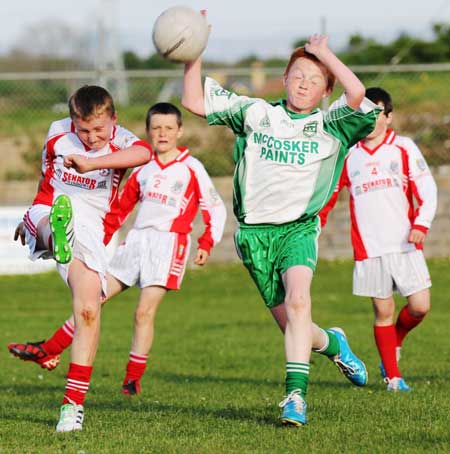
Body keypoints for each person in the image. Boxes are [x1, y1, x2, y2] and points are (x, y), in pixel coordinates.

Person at [182, 26, 381, 427]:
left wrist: (325, 53)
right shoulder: (256, 113)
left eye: (315, 80)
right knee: (296, 326)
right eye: (298, 76)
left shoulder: (332, 125)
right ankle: (335, 344)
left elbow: (357, 94)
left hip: (298, 230)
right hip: (254, 236)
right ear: (284, 78)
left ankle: (295, 397)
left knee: (298, 302)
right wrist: (192, 53)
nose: (304, 84)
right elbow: (192, 100)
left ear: (326, 90)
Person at [9, 102, 227, 397]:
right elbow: (119, 210)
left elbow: (213, 206)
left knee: (143, 313)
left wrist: (207, 242)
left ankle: (131, 379)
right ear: (148, 130)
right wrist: (95, 245)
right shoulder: (141, 170)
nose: (162, 134)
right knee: (93, 299)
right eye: (156, 128)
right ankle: (50, 348)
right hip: (135, 242)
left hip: (169, 244)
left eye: (169, 128)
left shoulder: (191, 167)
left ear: (180, 131)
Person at [8, 85, 152, 432]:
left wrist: (93, 163)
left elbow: (144, 154)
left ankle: (72, 408)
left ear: (113, 120)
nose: (90, 136)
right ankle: (46, 230)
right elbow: (46, 180)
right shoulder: (58, 133)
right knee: (49, 217)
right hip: (54, 206)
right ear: (72, 121)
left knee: (88, 309)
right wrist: (33, 217)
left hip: (92, 230)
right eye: (83, 130)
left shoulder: (124, 141)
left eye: (99, 129)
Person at [319, 87, 438, 392]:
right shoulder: (349, 155)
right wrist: (316, 225)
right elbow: (329, 195)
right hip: (369, 249)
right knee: (383, 311)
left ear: (389, 116)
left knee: (420, 306)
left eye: (377, 113)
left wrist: (421, 225)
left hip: (405, 244)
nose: (370, 119)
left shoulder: (404, 147)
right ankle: (393, 377)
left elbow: (427, 190)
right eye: (364, 113)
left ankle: (395, 341)